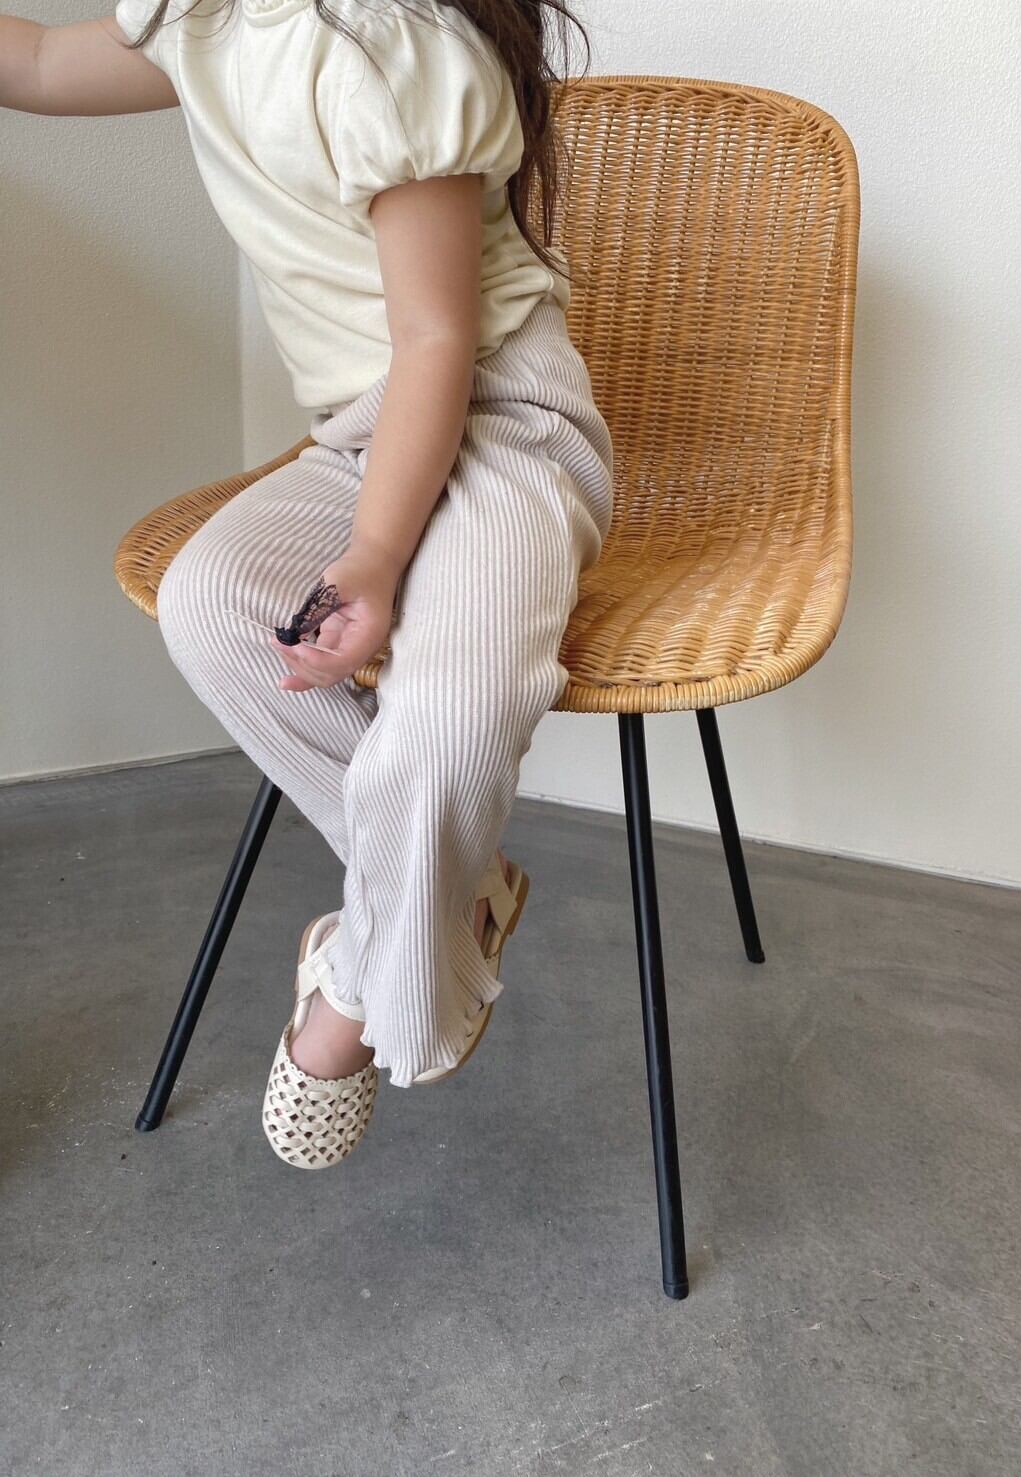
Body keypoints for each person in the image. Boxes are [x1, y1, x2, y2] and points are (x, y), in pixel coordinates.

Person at [2, 0, 614, 1167]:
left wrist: (374, 559)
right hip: (359, 438)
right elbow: (32, 61)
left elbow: (437, 343)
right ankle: (458, 891)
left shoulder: (387, 50)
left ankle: (362, 984)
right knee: (211, 602)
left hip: (500, 421)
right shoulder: (204, 20)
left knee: (450, 713)